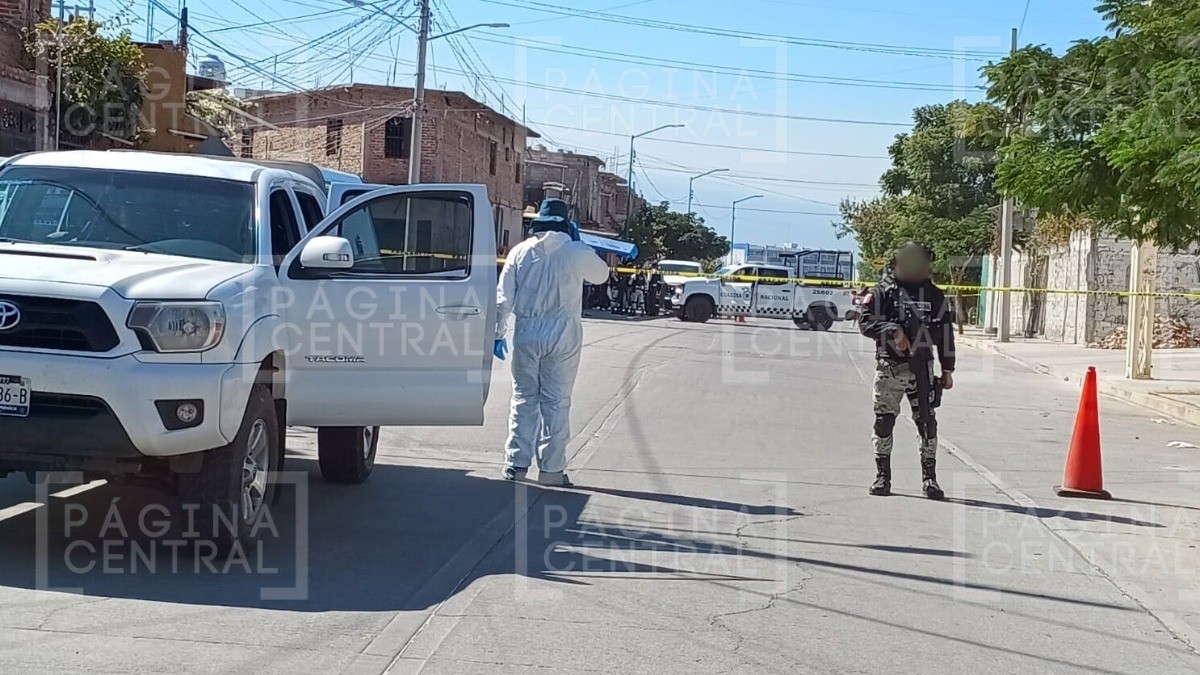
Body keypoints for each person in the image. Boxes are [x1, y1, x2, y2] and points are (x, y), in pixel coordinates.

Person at [494, 198, 610, 486]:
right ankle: (552, 471)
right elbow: (601, 275)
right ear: (565, 223)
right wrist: (583, 247)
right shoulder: (575, 251)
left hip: (526, 332)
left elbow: (503, 298)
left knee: (523, 399)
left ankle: (516, 464)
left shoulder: (519, 252)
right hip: (563, 333)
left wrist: (498, 333)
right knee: (556, 402)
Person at [858, 242, 956, 500]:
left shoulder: (933, 295)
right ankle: (882, 477)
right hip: (890, 366)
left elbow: (946, 333)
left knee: (927, 422)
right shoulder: (883, 292)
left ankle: (930, 479)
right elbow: (865, 322)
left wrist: (948, 369)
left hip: (922, 367)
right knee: (884, 421)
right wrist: (893, 331)